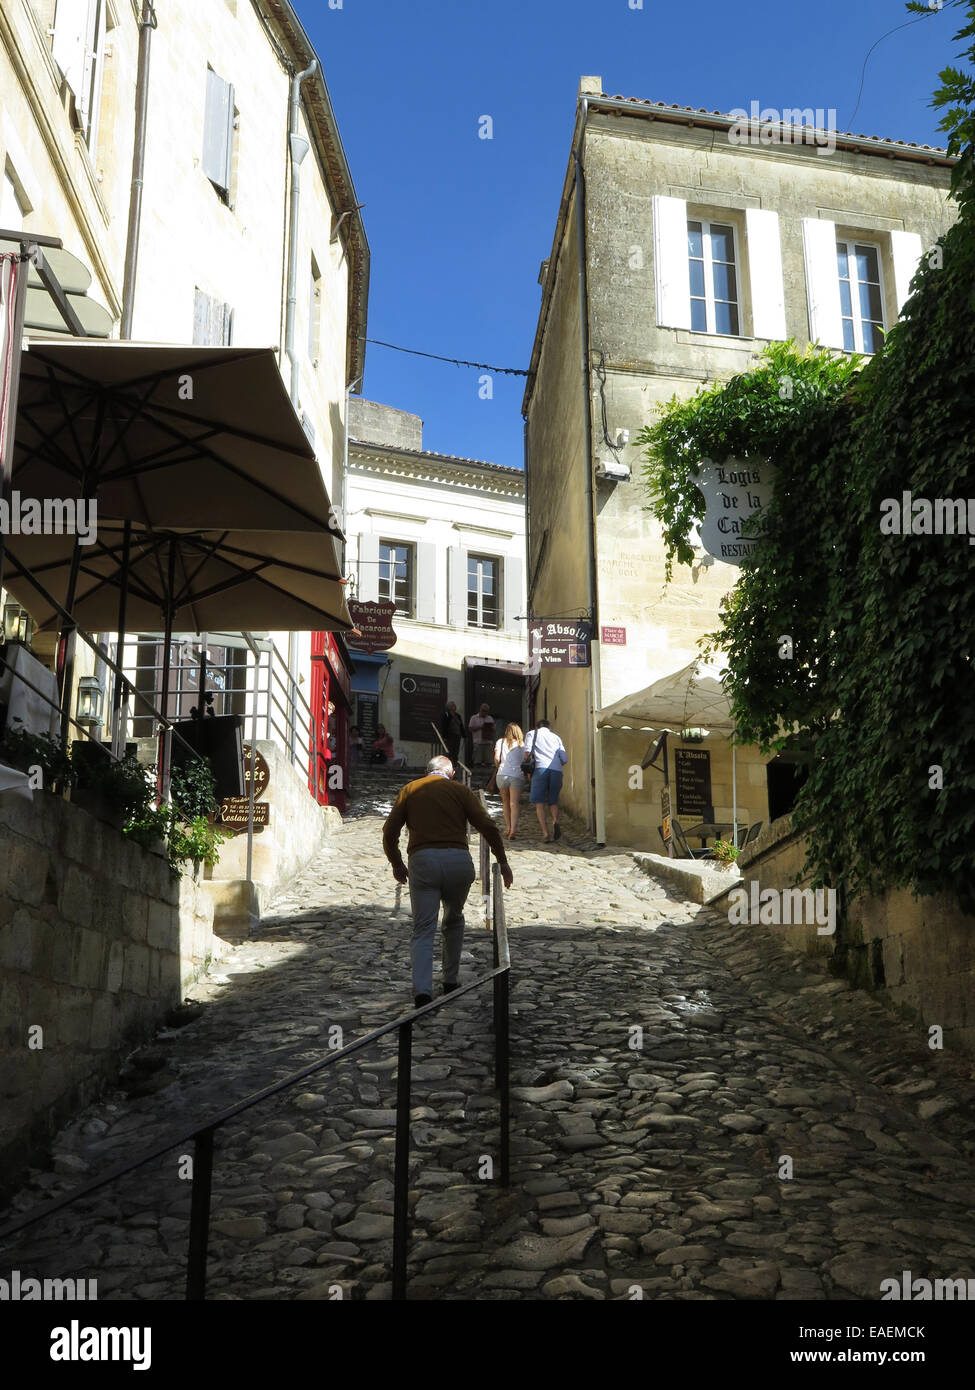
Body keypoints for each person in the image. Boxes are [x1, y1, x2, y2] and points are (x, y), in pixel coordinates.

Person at [383, 755, 514, 1006]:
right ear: (451, 773)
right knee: (453, 919)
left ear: (427, 771)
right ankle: (450, 980)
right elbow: (487, 825)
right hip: (457, 860)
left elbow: (390, 831)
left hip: (423, 860)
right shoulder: (459, 790)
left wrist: (396, 863)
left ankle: (422, 990)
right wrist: (503, 860)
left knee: (423, 928)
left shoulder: (410, 789)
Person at [524, 718, 568, 843]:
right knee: (553, 801)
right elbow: (564, 759)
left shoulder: (532, 734)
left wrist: (528, 771)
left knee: (539, 803)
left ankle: (545, 833)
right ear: (549, 727)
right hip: (557, 771)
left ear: (538, 727)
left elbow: (527, 753)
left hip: (540, 769)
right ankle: (555, 820)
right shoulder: (556, 737)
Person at [494, 722, 526, 839]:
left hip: (502, 774)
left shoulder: (500, 742)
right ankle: (513, 830)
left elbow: (497, 758)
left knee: (505, 802)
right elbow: (525, 760)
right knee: (514, 803)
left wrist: (499, 767)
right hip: (516, 775)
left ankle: (508, 827)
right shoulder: (522, 744)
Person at [468, 703, 496, 769]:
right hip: (478, 742)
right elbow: (470, 728)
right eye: (483, 710)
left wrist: (491, 729)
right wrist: (480, 727)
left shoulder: (490, 718)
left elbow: (494, 729)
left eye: (486, 711)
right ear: (480, 710)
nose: (484, 712)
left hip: (488, 742)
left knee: (489, 762)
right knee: (477, 761)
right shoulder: (474, 718)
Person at [441, 700, 465, 769]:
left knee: (456, 750)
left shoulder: (458, 715)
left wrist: (464, 735)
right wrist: (444, 736)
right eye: (452, 705)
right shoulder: (446, 715)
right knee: (449, 750)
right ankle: (448, 764)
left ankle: (455, 763)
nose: (454, 706)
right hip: (449, 736)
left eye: (454, 705)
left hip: (457, 735)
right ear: (449, 707)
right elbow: (444, 726)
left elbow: (461, 726)